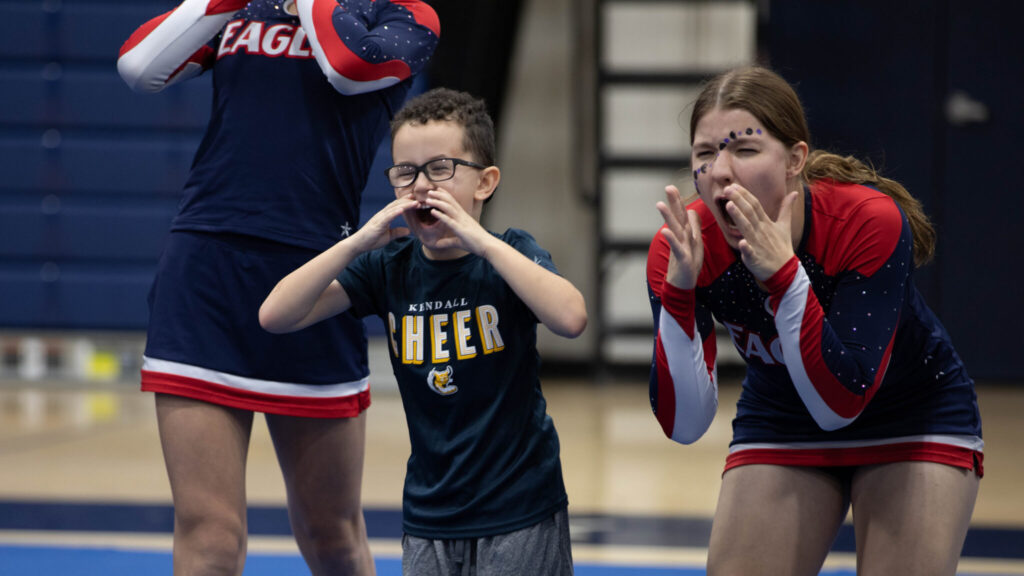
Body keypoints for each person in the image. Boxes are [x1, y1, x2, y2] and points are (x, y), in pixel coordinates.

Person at [116, 0, 439, 574]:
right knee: (209, 534)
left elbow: (347, 65)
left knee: (332, 534)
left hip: (317, 283)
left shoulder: (405, 17)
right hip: (206, 275)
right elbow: (140, 66)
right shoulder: (248, 10)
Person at [646, 66, 982, 576]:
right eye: (705, 153)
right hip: (783, 416)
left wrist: (782, 277)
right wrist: (679, 294)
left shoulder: (867, 221)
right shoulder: (683, 248)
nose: (721, 171)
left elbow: (839, 405)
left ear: (795, 160)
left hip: (913, 412)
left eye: (745, 149)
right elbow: (684, 424)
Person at [260, 87, 585, 576]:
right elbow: (276, 314)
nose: (421, 187)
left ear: (485, 181)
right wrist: (357, 243)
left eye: (440, 169)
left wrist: (483, 243)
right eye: (405, 173)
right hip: (430, 515)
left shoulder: (510, 252)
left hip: (519, 507)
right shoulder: (386, 268)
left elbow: (571, 317)